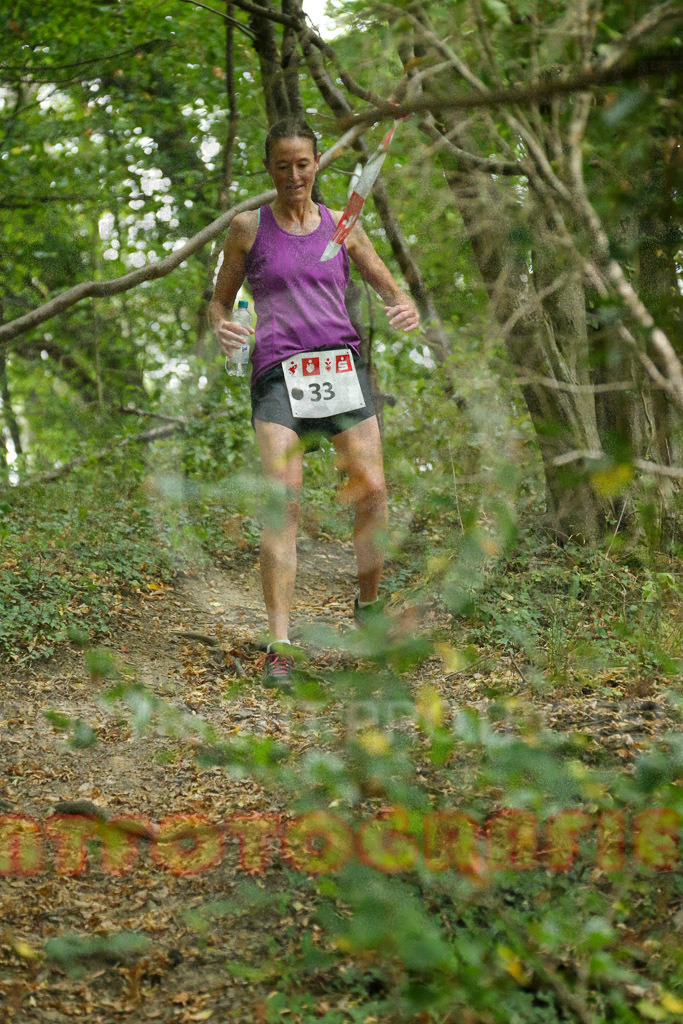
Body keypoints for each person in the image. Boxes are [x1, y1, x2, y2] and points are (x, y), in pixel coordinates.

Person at [209, 117, 419, 688]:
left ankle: (369, 609)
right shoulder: (247, 228)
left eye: (303, 164)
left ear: (317, 163)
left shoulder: (343, 224)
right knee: (285, 500)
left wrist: (405, 307)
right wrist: (225, 328)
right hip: (279, 373)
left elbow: (390, 287)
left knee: (373, 489)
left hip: (340, 367)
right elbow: (220, 303)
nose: (294, 175)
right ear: (269, 168)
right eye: (283, 165)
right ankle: (280, 645)